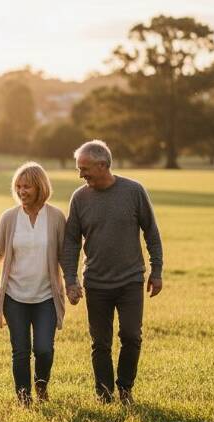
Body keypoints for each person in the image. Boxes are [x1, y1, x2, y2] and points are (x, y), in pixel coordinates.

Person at [61, 140, 164, 405]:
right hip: (95, 283)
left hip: (130, 280)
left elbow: (151, 231)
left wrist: (157, 269)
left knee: (131, 336)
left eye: (84, 168)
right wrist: (70, 280)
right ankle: (104, 394)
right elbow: (71, 241)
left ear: (103, 165)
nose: (80, 174)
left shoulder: (133, 191)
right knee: (101, 343)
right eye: (79, 168)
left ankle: (125, 388)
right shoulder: (79, 198)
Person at [0, 162, 66, 406]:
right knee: (20, 351)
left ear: (40, 187)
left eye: (27, 186)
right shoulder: (9, 218)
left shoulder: (56, 217)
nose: (21, 191)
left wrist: (72, 282)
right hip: (14, 296)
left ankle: (41, 386)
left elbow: (65, 255)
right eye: (18, 186)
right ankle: (24, 398)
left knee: (43, 349)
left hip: (46, 297)